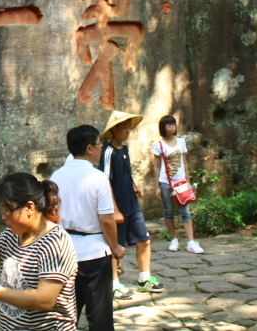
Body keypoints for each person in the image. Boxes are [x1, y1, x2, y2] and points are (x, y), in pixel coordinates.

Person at [0, 173, 78, 331]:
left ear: (29, 207)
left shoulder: (56, 242)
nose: (3, 217)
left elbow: (44, 300)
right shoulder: (13, 235)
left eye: (7, 211)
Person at [50, 125, 125, 331]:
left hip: (64, 251)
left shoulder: (56, 176)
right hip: (94, 252)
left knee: (65, 313)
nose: (102, 148)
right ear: (90, 148)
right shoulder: (98, 178)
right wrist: (115, 247)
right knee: (99, 314)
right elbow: (108, 220)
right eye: (100, 144)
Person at [98, 110, 164, 299]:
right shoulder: (108, 152)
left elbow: (125, 173)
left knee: (144, 239)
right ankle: (113, 284)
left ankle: (144, 278)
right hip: (117, 208)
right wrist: (114, 209)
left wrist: (134, 187)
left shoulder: (124, 149)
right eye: (123, 128)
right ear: (114, 130)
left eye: (128, 127)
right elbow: (105, 181)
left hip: (132, 205)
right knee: (115, 247)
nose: (127, 131)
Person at [151, 114, 203, 254]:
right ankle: (174, 240)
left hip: (181, 183)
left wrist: (188, 181)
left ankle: (191, 242)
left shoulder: (181, 142)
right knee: (168, 212)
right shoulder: (158, 145)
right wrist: (157, 187)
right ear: (163, 127)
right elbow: (156, 166)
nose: (171, 127)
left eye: (173, 124)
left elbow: (184, 162)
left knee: (185, 211)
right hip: (166, 182)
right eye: (168, 125)